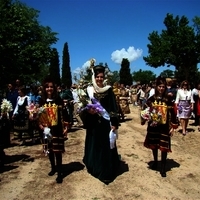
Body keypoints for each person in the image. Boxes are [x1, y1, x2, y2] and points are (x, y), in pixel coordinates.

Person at [82, 60, 120, 184]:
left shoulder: (108, 90)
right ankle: (94, 167)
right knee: (94, 145)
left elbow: (113, 108)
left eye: (101, 77)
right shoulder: (89, 90)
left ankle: (106, 171)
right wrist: (88, 112)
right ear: (94, 76)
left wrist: (114, 123)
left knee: (106, 147)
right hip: (93, 124)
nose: (99, 79)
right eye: (97, 77)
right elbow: (82, 107)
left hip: (105, 124)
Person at [142, 76, 178, 177]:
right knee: (154, 145)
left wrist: (173, 127)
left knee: (163, 147)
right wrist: (145, 116)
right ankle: (155, 162)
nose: (161, 88)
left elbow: (173, 113)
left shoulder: (169, 99)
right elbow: (145, 110)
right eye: (159, 86)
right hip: (153, 126)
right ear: (156, 87)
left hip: (164, 127)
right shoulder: (151, 99)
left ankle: (163, 167)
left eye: (163, 86)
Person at [38, 76, 66, 184]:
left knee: (57, 151)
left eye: (51, 87)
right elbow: (39, 115)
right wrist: (40, 125)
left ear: (54, 88)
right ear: (44, 88)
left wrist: (66, 127)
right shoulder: (41, 100)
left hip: (57, 129)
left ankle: (59, 172)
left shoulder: (58, 99)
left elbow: (64, 114)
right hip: (46, 129)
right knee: (50, 150)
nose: (49, 89)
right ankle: (53, 168)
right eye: (47, 87)